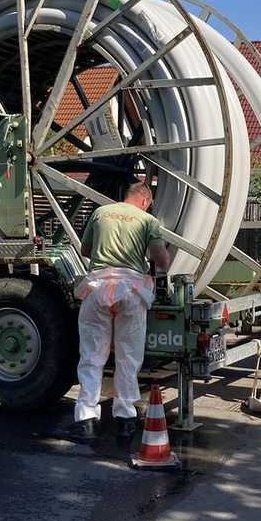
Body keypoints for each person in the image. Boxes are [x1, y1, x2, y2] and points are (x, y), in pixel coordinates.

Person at [73, 181, 170, 439]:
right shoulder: (147, 220)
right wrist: (162, 267)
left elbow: (85, 249)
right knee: (128, 357)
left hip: (97, 288)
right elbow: (160, 259)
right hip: (131, 290)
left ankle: (86, 418)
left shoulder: (100, 212)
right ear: (145, 200)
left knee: (92, 357)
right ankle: (125, 416)